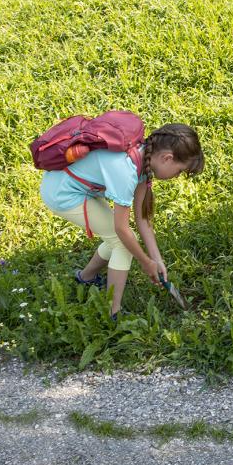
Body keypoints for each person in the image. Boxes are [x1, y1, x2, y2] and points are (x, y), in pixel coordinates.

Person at [39, 124, 204, 319]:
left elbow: (142, 219)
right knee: (123, 244)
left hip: (76, 187)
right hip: (62, 193)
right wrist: (145, 262)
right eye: (179, 171)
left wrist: (156, 259)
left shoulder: (144, 159)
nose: (176, 177)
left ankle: (86, 277)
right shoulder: (126, 172)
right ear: (167, 158)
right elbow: (121, 229)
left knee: (119, 239)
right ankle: (113, 313)